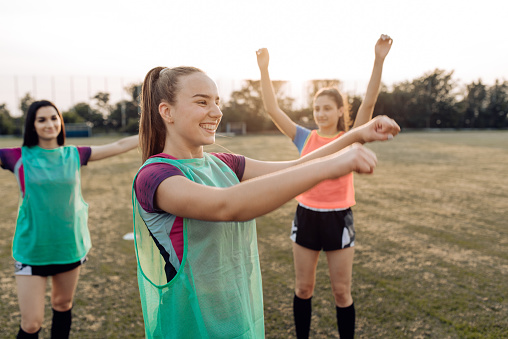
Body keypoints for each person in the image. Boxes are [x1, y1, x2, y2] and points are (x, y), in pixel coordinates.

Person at [132, 65, 399, 338]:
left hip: (236, 316)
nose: (216, 112)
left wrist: (357, 135)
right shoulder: (154, 176)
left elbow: (297, 166)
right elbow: (228, 205)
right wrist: (331, 167)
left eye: (217, 102)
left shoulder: (223, 163)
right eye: (202, 102)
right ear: (167, 112)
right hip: (190, 324)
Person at [256, 34, 393, 338]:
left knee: (341, 293)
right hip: (306, 216)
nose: (320, 114)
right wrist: (264, 69)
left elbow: (369, 101)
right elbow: (272, 110)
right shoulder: (305, 138)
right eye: (317, 108)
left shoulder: (352, 137)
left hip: (338, 218)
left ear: (340, 111)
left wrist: (378, 59)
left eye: (327, 108)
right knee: (303, 289)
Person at [0, 100, 139, 339]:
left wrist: (158, 129)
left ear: (60, 121)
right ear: (32, 125)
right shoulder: (16, 157)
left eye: (54, 118)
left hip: (69, 246)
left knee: (63, 305)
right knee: (31, 323)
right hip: (32, 249)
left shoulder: (75, 154)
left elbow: (119, 144)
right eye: (41, 119)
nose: (49, 124)